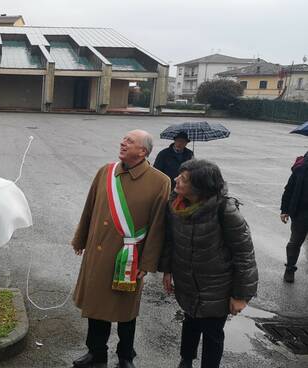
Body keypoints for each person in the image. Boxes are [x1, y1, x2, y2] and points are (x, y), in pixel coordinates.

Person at [71, 130, 170, 368]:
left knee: (126, 311)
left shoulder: (160, 181)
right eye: (124, 139)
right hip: (98, 251)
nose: (122, 143)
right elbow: (89, 208)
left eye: (129, 141)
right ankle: (96, 353)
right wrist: (80, 239)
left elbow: (158, 227)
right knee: (96, 307)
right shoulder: (106, 172)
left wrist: (147, 265)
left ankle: (125, 356)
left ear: (143, 151)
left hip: (129, 257)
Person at [159, 159, 258, 368]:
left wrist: (241, 296)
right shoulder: (176, 204)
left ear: (199, 186)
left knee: (212, 333)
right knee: (190, 322)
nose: (176, 180)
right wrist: (166, 270)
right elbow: (170, 240)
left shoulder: (224, 210)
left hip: (216, 287)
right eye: (179, 175)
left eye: (183, 179)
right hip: (186, 281)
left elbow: (244, 255)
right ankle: (186, 360)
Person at [280, 150, 308, 283]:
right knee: (295, 242)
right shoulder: (301, 167)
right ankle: (290, 268)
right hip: (301, 212)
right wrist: (284, 210)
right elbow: (289, 189)